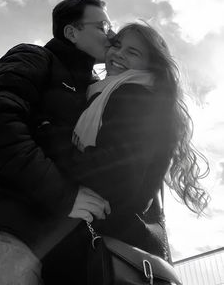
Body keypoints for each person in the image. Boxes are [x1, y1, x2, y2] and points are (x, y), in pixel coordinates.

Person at [0, 0, 115, 285]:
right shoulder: (32, 58)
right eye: (102, 26)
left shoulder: (90, 90)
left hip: (49, 239)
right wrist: (65, 196)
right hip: (4, 227)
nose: (111, 35)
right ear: (71, 31)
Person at [39, 22, 209, 284]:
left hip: (103, 249)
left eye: (133, 52)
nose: (118, 54)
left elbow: (116, 173)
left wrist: (51, 136)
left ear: (151, 66)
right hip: (114, 248)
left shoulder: (134, 95)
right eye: (117, 45)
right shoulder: (109, 94)